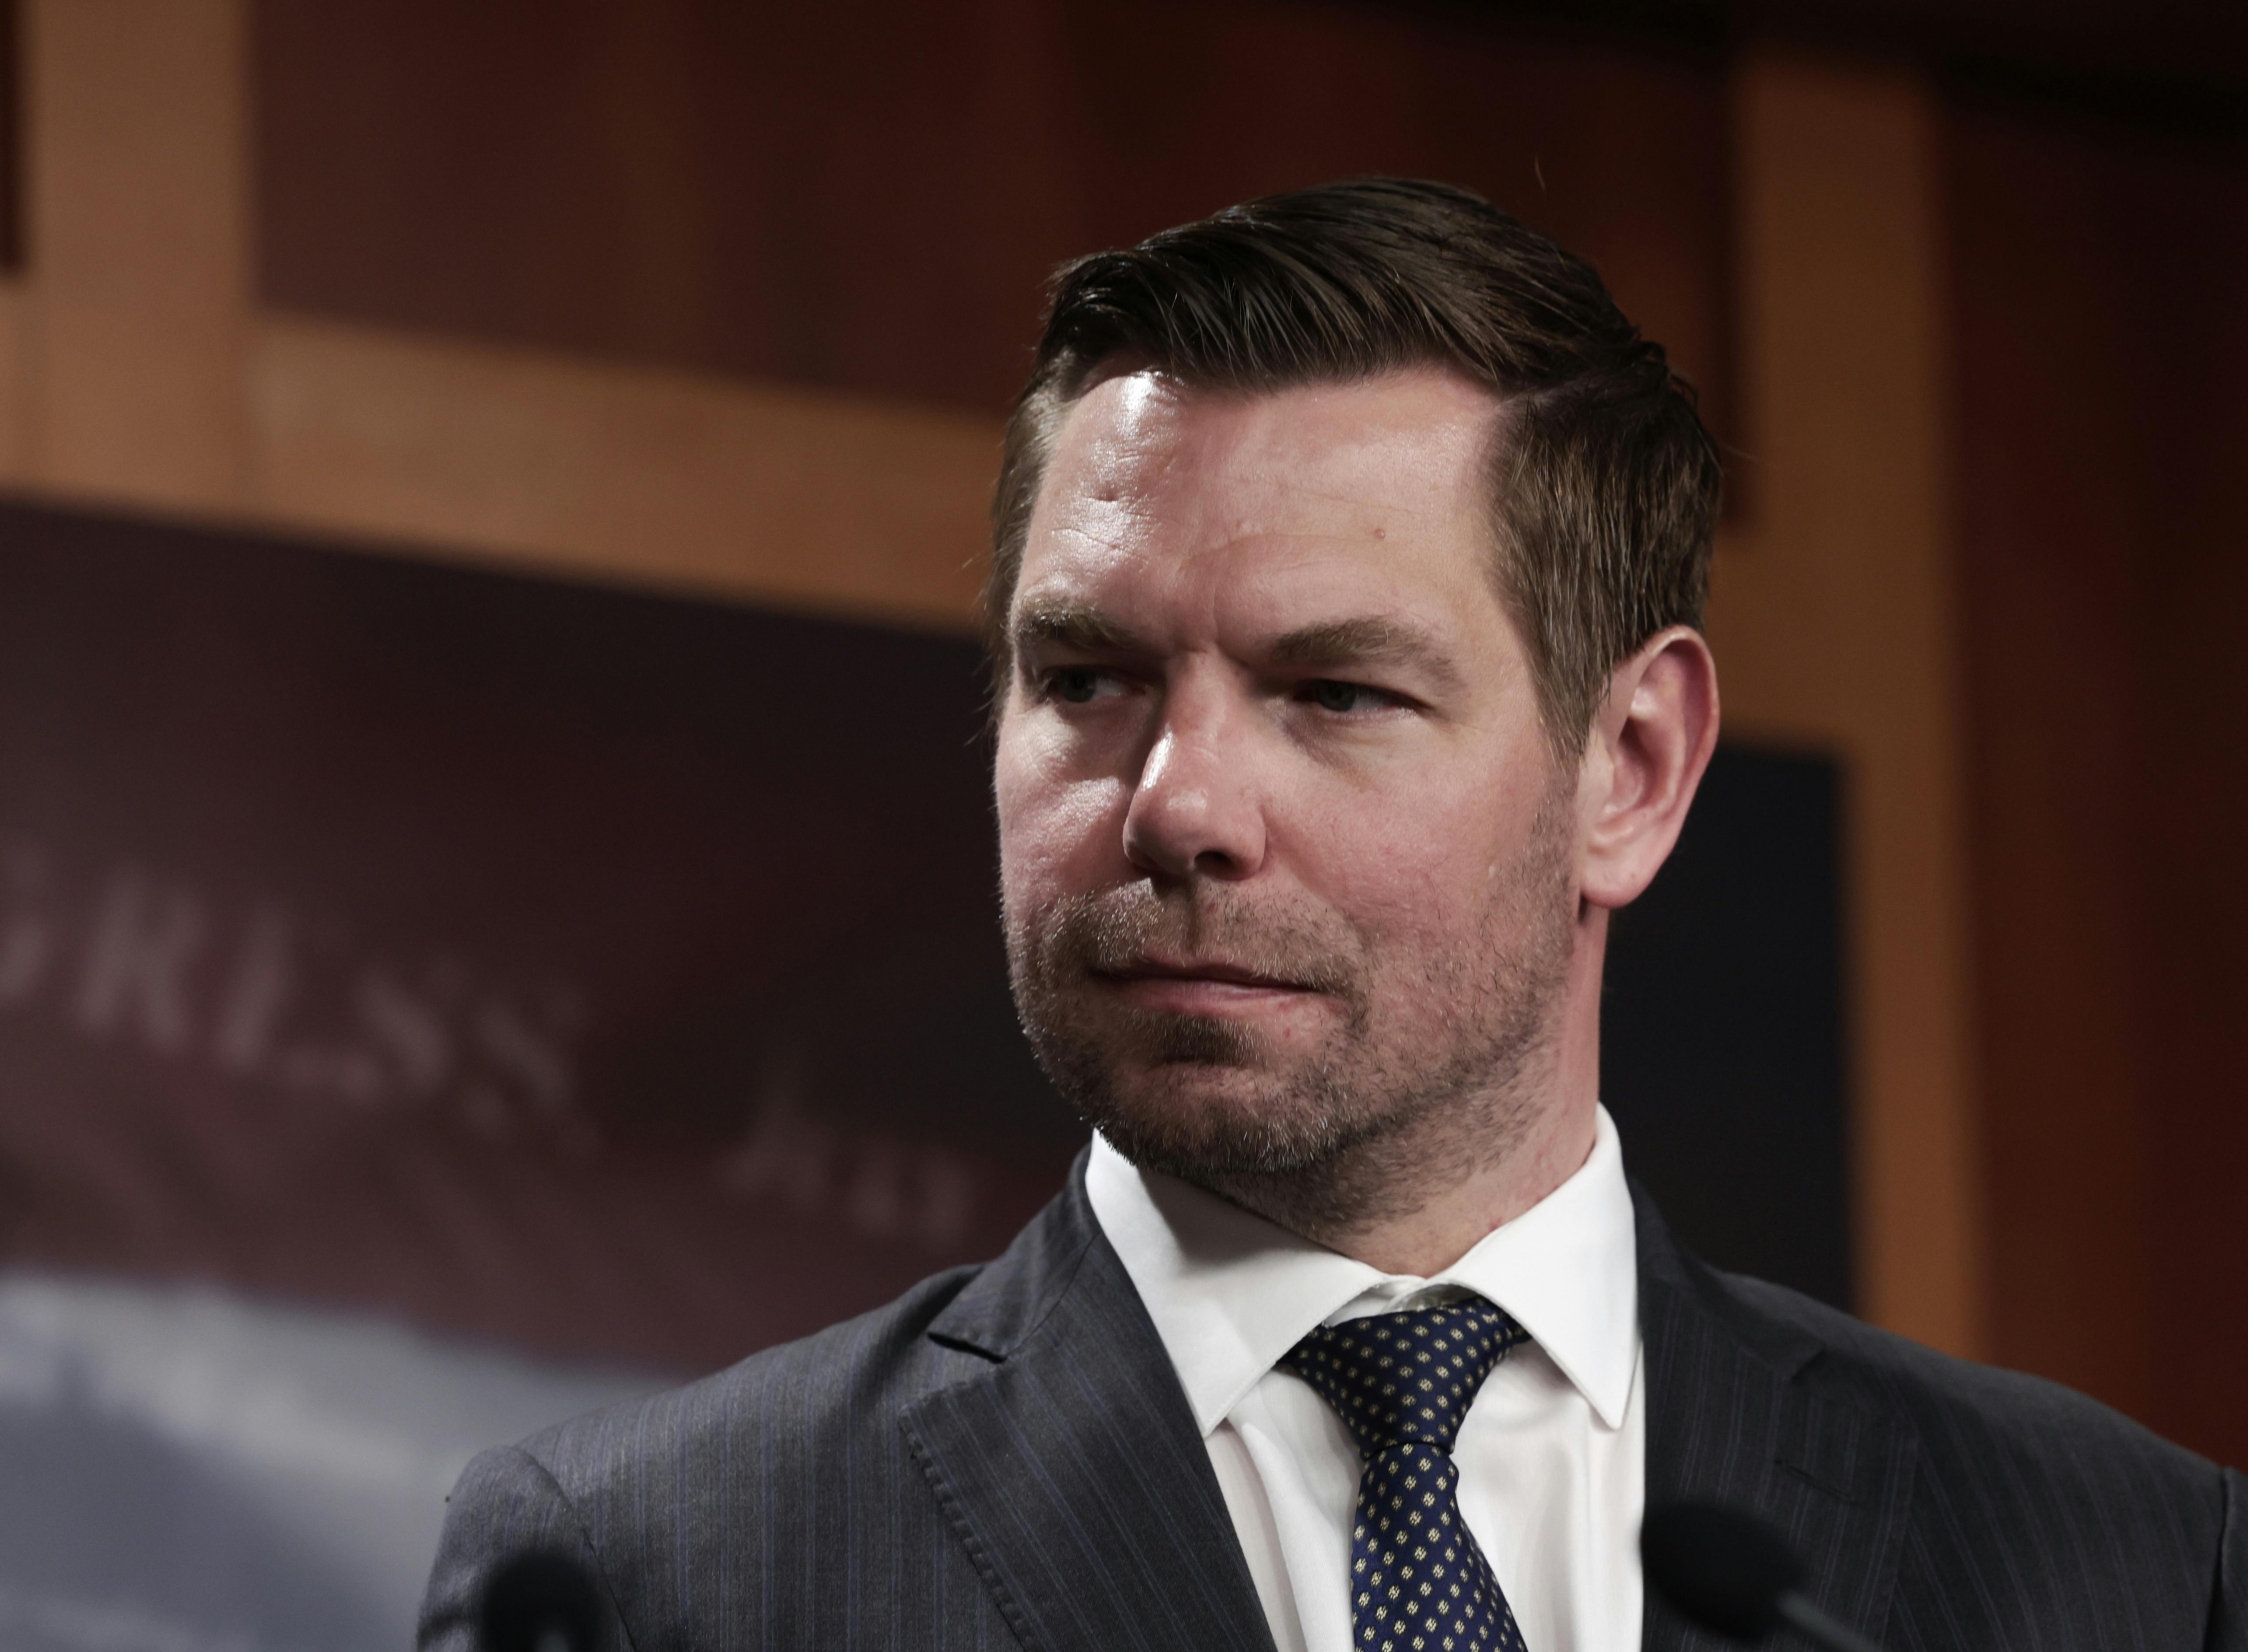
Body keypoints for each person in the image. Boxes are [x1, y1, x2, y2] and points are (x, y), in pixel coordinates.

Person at [418, 178, 2244, 1652]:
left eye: (1336, 694)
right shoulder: (658, 1580)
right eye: (1087, 678)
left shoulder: (2127, 1572)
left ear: (1629, 768)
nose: (1180, 804)